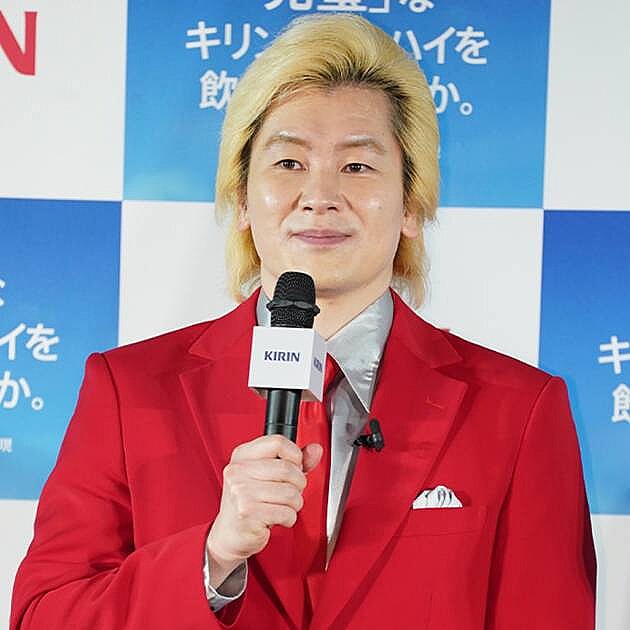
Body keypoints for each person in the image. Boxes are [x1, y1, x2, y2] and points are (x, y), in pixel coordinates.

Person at [11, 13, 596, 630]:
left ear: (412, 204)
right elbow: (44, 617)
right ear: (241, 198)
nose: (320, 196)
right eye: (289, 163)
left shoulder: (520, 410)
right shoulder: (127, 390)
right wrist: (212, 558)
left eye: (357, 167)